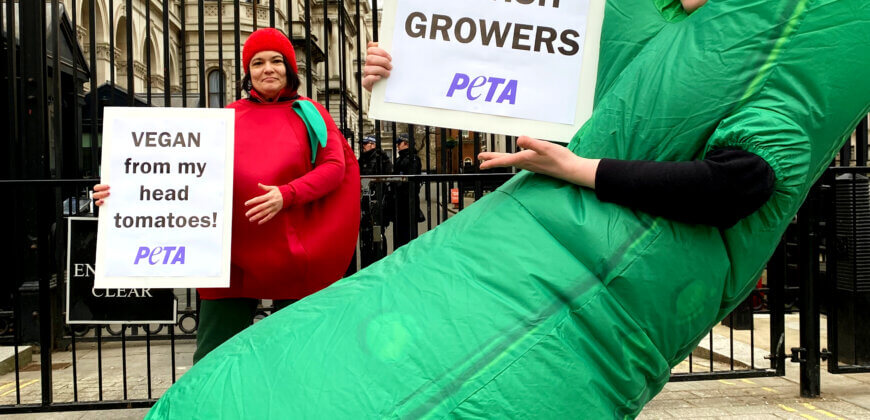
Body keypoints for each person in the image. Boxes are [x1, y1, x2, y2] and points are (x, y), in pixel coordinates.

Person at [362, 0, 773, 230]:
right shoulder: (617, 17)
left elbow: (740, 182)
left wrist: (576, 168)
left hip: (637, 244)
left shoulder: (767, 38)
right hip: (555, 223)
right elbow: (515, 55)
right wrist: (400, 71)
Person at [93, 28, 360, 364]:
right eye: (258, 62)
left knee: (299, 355)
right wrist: (122, 192)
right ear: (247, 72)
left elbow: (335, 168)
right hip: (228, 257)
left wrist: (286, 194)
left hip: (292, 253)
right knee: (214, 357)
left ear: (289, 69)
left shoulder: (311, 113)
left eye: (277, 61)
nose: (268, 69)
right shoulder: (226, 117)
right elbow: (172, 173)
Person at [358, 135, 393, 267]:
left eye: (366, 143)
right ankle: (367, 261)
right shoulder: (362, 159)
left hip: (378, 202)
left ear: (373, 145)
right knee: (366, 233)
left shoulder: (382, 159)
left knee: (378, 232)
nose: (363, 146)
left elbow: (387, 182)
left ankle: (379, 260)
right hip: (364, 202)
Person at [391, 133, 425, 249]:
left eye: (399, 143)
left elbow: (411, 182)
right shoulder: (399, 159)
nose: (397, 146)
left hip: (408, 202)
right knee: (399, 236)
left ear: (406, 143)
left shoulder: (413, 159)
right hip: (399, 203)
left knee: (409, 236)